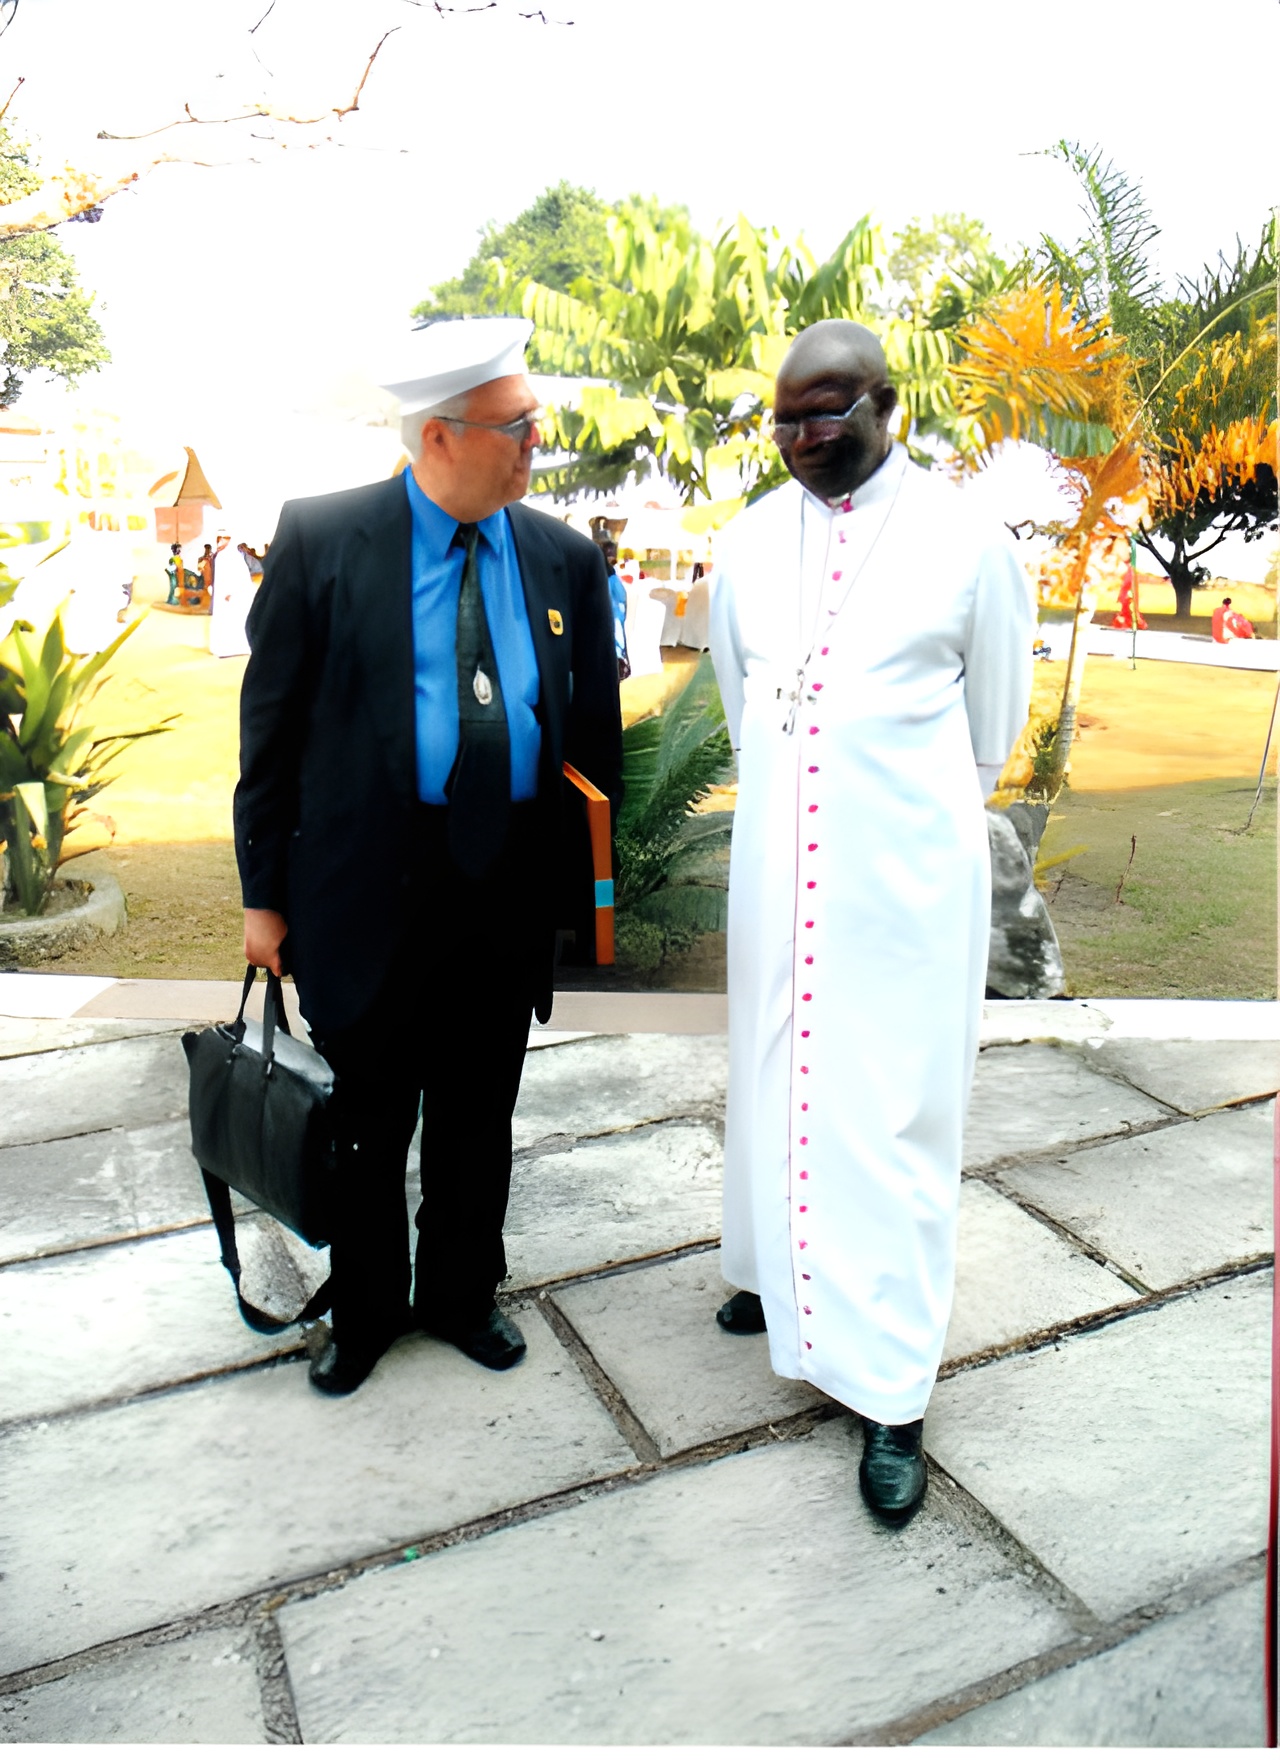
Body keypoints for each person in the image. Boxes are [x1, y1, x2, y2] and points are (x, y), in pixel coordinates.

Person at [235, 316, 622, 1397]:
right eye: (516, 426)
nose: (536, 442)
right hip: (364, 886)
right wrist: (263, 894)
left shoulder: (562, 556)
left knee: (476, 1109)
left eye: (536, 420)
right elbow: (267, 732)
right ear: (440, 438)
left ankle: (461, 1292)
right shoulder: (323, 539)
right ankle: (363, 1311)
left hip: (500, 887)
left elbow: (593, 739)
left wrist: (584, 889)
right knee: (365, 1114)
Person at [708, 319, 1034, 1527]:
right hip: (772, 863)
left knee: (888, 1109)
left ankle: (892, 1390)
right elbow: (750, 708)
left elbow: (989, 729)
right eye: (784, 416)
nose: (799, 436)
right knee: (768, 1068)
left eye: (825, 410)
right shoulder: (744, 542)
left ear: (885, 404)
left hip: (898, 873)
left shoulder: (963, 540)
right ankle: (766, 1277)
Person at [600, 539, 631, 680]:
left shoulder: (594, 571)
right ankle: (618, 669)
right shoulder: (611, 574)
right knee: (617, 643)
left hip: (599, 615)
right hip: (613, 615)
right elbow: (621, 595)